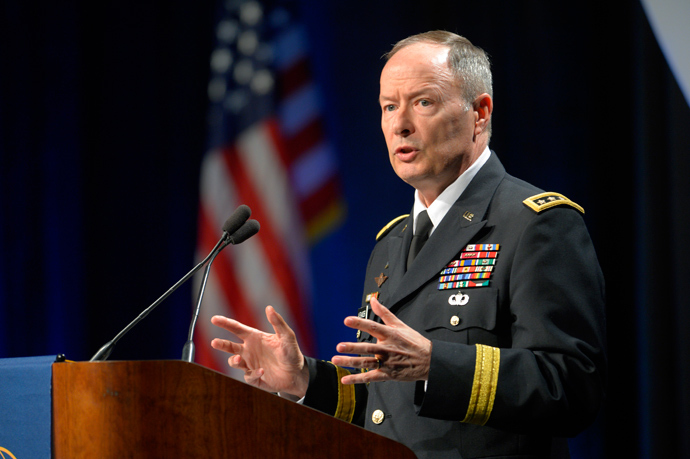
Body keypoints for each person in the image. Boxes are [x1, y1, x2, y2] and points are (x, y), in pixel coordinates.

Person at [210, 31, 606, 459]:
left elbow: (569, 386)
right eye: (388, 106)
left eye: (423, 102)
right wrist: (304, 378)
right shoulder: (391, 243)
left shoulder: (534, 224)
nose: (399, 124)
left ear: (480, 112)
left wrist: (437, 365)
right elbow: (383, 406)